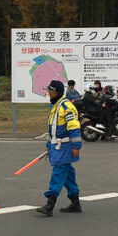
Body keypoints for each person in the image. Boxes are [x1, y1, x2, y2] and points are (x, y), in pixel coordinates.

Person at [35, 80, 82, 216]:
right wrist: (49, 146)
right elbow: (53, 130)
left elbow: (74, 127)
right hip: (59, 146)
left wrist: (76, 146)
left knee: (59, 173)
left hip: (66, 146)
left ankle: (50, 204)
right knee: (68, 175)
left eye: (49, 90)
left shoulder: (66, 107)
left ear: (54, 92)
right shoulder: (56, 106)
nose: (48, 93)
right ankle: (75, 202)